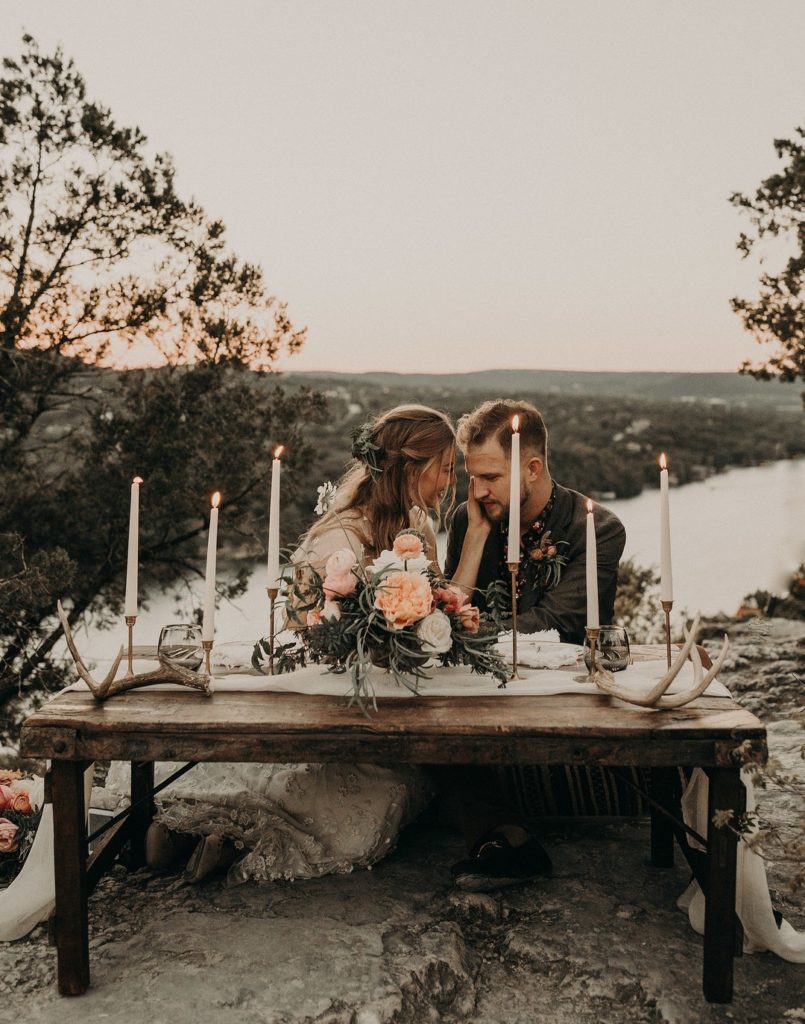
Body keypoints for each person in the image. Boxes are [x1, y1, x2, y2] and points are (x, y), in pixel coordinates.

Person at [145, 404, 457, 883]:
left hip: (389, 706)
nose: (449, 482)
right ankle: (218, 835)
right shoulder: (341, 538)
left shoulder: (419, 528)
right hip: (332, 708)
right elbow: (306, 636)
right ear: (412, 468)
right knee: (380, 800)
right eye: (447, 468)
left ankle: (209, 836)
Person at [441, 398, 626, 891]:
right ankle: (504, 838)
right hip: (478, 693)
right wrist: (477, 539)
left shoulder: (597, 529)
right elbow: (444, 619)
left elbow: (557, 623)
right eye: (471, 476)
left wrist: (468, 633)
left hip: (560, 697)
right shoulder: (469, 519)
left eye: (491, 478)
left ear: (533, 467)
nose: (476, 491)